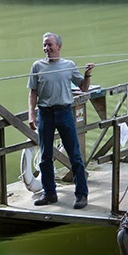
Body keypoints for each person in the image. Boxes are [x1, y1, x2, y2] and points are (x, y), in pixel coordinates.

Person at [27, 32, 95, 209]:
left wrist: (87, 75)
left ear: (59, 46)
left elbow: (83, 87)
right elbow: (33, 92)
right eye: (44, 45)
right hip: (45, 114)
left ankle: (81, 195)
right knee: (45, 155)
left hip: (64, 112)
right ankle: (49, 193)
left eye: (50, 45)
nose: (46, 48)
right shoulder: (37, 66)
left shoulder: (69, 65)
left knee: (75, 155)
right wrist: (31, 114)